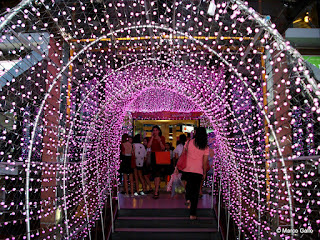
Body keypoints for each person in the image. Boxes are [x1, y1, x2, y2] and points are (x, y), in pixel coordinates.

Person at [180, 127, 209, 220]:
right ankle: (192, 214)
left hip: (187, 169)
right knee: (195, 192)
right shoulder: (205, 146)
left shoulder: (188, 142)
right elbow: (204, 162)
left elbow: (183, 153)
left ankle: (188, 198)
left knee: (188, 185)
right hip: (198, 171)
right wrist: (204, 172)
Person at [147, 125, 165, 199]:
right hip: (153, 156)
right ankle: (156, 189)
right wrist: (152, 138)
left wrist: (159, 140)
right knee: (154, 174)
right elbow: (148, 146)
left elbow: (163, 148)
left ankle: (156, 191)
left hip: (159, 156)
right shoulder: (151, 138)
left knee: (158, 174)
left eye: (156, 130)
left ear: (159, 131)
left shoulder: (162, 138)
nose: (155, 132)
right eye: (153, 130)